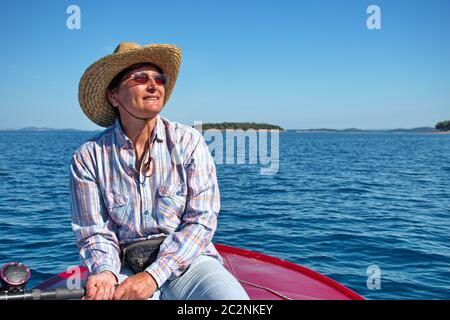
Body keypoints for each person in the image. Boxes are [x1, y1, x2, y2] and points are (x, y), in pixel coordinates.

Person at [70, 42, 249, 300]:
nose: (154, 85)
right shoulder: (88, 157)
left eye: (159, 78)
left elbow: (201, 221)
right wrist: (106, 272)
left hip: (189, 263)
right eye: (140, 78)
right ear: (113, 96)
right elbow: (94, 231)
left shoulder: (189, 142)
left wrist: (154, 275)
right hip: (124, 267)